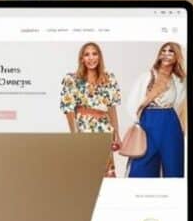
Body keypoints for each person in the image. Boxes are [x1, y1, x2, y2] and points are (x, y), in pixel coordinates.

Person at [60, 42, 122, 177]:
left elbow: (112, 109)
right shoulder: (72, 79)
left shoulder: (109, 78)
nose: (91, 58)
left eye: (94, 54)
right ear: (81, 58)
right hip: (84, 128)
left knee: (107, 174)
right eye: (86, 54)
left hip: (105, 128)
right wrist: (75, 134)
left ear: (99, 57)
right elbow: (68, 110)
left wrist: (117, 134)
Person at [125, 42, 186, 178]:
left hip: (171, 124)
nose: (166, 54)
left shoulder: (179, 80)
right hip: (148, 123)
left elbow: (181, 105)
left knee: (174, 169)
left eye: (171, 51)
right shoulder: (146, 76)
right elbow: (132, 103)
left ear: (177, 57)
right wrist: (138, 122)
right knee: (141, 169)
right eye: (163, 51)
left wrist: (181, 128)